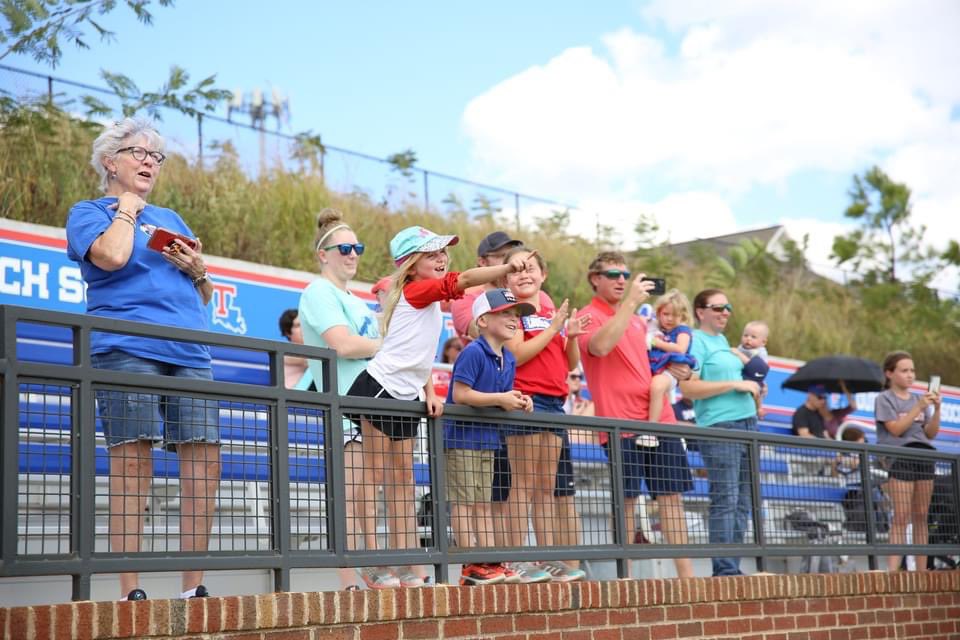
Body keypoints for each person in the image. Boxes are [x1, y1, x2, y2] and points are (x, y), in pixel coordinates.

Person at [65, 118, 219, 601]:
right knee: (133, 462)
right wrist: (128, 210)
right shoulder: (89, 211)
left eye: (157, 157)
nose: (150, 162)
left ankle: (192, 587)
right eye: (139, 153)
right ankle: (130, 589)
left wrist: (198, 270)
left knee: (205, 463)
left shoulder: (173, 217)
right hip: (127, 347)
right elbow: (110, 256)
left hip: (189, 349)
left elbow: (205, 294)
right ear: (110, 162)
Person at [348, 225, 534, 587]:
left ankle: (407, 563)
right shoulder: (416, 290)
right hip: (379, 388)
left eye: (442, 252)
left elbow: (416, 355)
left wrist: (430, 392)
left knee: (403, 479)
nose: (441, 258)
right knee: (373, 476)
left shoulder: (427, 299)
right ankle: (371, 561)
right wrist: (504, 270)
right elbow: (462, 280)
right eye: (432, 253)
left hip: (408, 394)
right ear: (412, 263)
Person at [576, 252, 695, 579]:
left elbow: (649, 364)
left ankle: (689, 582)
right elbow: (600, 348)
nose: (620, 280)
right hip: (619, 423)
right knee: (626, 502)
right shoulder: (588, 315)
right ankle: (624, 580)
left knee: (671, 500)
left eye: (624, 275)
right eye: (612, 273)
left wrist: (674, 372)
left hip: (659, 418)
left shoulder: (640, 321)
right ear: (594, 278)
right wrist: (629, 303)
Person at [297, 208, 383, 589]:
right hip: (344, 407)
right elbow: (344, 345)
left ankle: (373, 567)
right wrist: (387, 346)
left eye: (357, 247)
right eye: (344, 247)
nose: (352, 254)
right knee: (349, 496)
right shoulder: (318, 292)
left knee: (368, 497)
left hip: (369, 407)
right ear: (323, 254)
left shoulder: (358, 301)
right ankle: (349, 577)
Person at [502, 247, 589, 583]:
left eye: (531, 268)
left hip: (554, 402)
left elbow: (569, 363)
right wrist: (554, 327)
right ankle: (514, 559)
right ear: (507, 276)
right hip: (526, 398)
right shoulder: (511, 307)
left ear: (543, 274)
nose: (525, 274)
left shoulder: (550, 304)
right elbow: (519, 355)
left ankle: (547, 558)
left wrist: (573, 337)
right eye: (517, 269)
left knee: (545, 487)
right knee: (522, 484)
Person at [444, 289, 534, 585]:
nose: (513, 320)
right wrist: (501, 397)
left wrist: (520, 400)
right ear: (483, 320)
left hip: (487, 441)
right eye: (505, 313)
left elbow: (498, 398)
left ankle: (489, 561)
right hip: (461, 440)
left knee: (483, 503)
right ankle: (470, 563)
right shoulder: (472, 351)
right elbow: (460, 394)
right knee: (464, 503)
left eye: (516, 315)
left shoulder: (508, 357)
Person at [678, 289, 761, 577]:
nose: (726, 312)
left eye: (728, 306)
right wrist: (734, 385)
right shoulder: (695, 339)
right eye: (718, 307)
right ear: (701, 312)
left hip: (748, 424)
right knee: (726, 499)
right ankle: (725, 571)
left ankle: (732, 567)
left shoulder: (724, 341)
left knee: (744, 502)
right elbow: (687, 388)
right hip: (720, 427)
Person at [875, 351, 941, 572]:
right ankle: (893, 572)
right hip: (900, 456)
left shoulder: (917, 400)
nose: (910, 375)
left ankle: (922, 571)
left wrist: (937, 408)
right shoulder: (884, 398)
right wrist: (918, 408)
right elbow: (895, 430)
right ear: (890, 373)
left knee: (921, 515)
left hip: (924, 455)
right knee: (901, 515)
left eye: (912, 370)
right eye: (904, 370)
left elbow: (931, 433)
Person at [647, 289, 697, 424]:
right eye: (666, 314)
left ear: (683, 316)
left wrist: (655, 342)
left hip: (670, 370)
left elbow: (681, 349)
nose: (669, 318)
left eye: (675, 315)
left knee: (657, 387)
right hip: (657, 366)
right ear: (658, 313)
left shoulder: (682, 331)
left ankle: (651, 428)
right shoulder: (658, 329)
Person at [792, 382, 858, 439]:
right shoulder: (801, 413)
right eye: (820, 397)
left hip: (824, 448)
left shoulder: (820, 413)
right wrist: (825, 442)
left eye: (825, 398)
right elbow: (804, 435)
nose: (823, 401)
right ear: (810, 396)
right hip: (809, 450)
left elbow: (852, 407)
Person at [732, 320, 770, 414]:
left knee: (758, 391)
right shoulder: (741, 348)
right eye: (745, 335)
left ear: (763, 342)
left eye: (753, 337)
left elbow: (759, 369)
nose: (748, 339)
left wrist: (739, 355)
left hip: (756, 378)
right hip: (743, 376)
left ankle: (759, 408)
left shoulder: (760, 352)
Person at [277, 309, 314, 390]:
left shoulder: (312, 350)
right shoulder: (284, 351)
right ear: (288, 332)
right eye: (298, 325)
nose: (304, 329)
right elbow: (309, 361)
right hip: (288, 398)